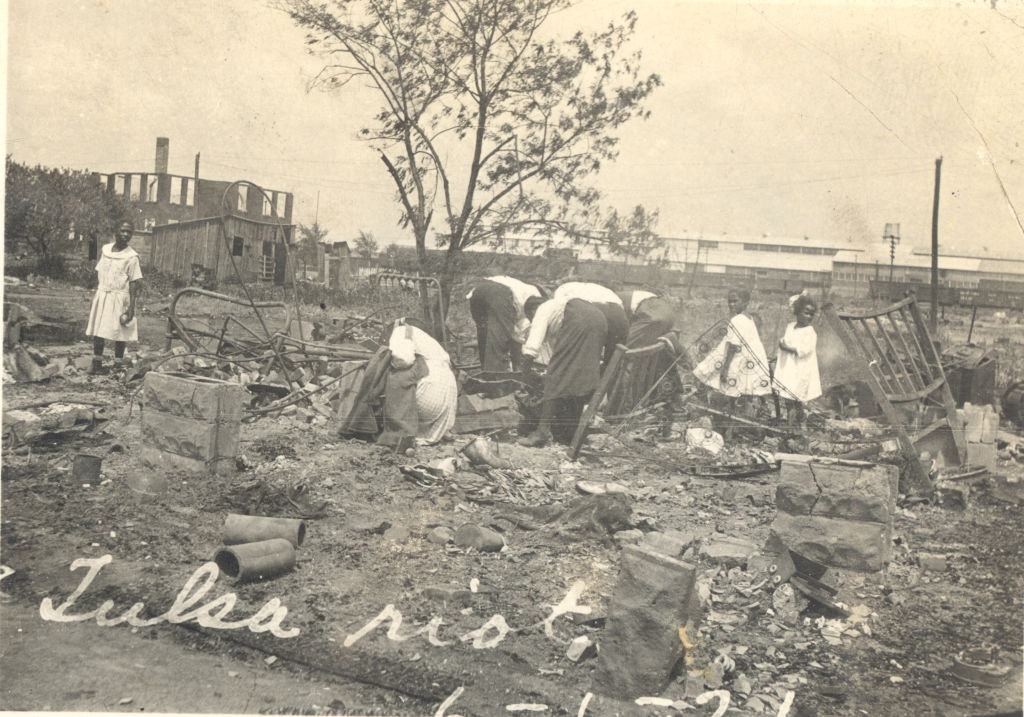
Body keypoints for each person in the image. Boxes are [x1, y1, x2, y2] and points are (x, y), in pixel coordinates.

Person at [338, 317, 457, 446]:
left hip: (429, 396)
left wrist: (385, 361)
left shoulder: (401, 331)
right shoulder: (428, 342)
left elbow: (403, 359)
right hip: (444, 408)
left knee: (395, 373)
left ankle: (397, 431)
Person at [518, 295, 610, 447]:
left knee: (555, 375)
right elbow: (563, 356)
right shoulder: (559, 314)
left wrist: (524, 374)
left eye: (530, 318)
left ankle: (541, 432)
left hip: (579, 317)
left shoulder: (543, 309)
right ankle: (571, 433)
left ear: (532, 310)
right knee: (579, 377)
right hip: (599, 318)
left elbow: (532, 347)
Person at [692, 288, 772, 402]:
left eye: (735, 301)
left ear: (745, 302)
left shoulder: (737, 320)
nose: (731, 304)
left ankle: (705, 400)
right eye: (729, 301)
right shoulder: (749, 319)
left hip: (737, 356)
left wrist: (725, 368)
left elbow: (733, 346)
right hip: (747, 358)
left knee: (704, 371)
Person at [86, 220, 143, 374]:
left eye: (129, 232)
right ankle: (97, 362)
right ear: (115, 231)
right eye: (123, 230)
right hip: (103, 293)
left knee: (120, 330)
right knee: (98, 329)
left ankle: (118, 364)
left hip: (120, 296)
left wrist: (131, 308)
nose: (125, 234)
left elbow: (134, 283)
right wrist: (97, 293)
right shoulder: (105, 250)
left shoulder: (132, 257)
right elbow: (100, 271)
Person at [466, 276, 544, 372]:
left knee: (485, 336)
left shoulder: (527, 289)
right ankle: (498, 377)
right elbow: (518, 336)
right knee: (500, 341)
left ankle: (486, 373)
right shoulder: (540, 306)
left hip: (478, 291)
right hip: (499, 293)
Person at [773, 292, 822, 426]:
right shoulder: (790, 326)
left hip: (800, 371)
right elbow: (786, 341)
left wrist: (786, 348)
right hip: (788, 368)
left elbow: (804, 350)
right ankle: (794, 425)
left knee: (795, 398)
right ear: (797, 311)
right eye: (806, 312)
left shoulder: (810, 332)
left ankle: (795, 426)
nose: (809, 317)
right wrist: (782, 347)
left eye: (811, 314)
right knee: (787, 398)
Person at [552, 281, 627, 366]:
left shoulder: (561, 291)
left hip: (600, 310)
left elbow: (562, 314)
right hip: (619, 313)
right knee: (611, 359)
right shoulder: (585, 287)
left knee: (585, 352)